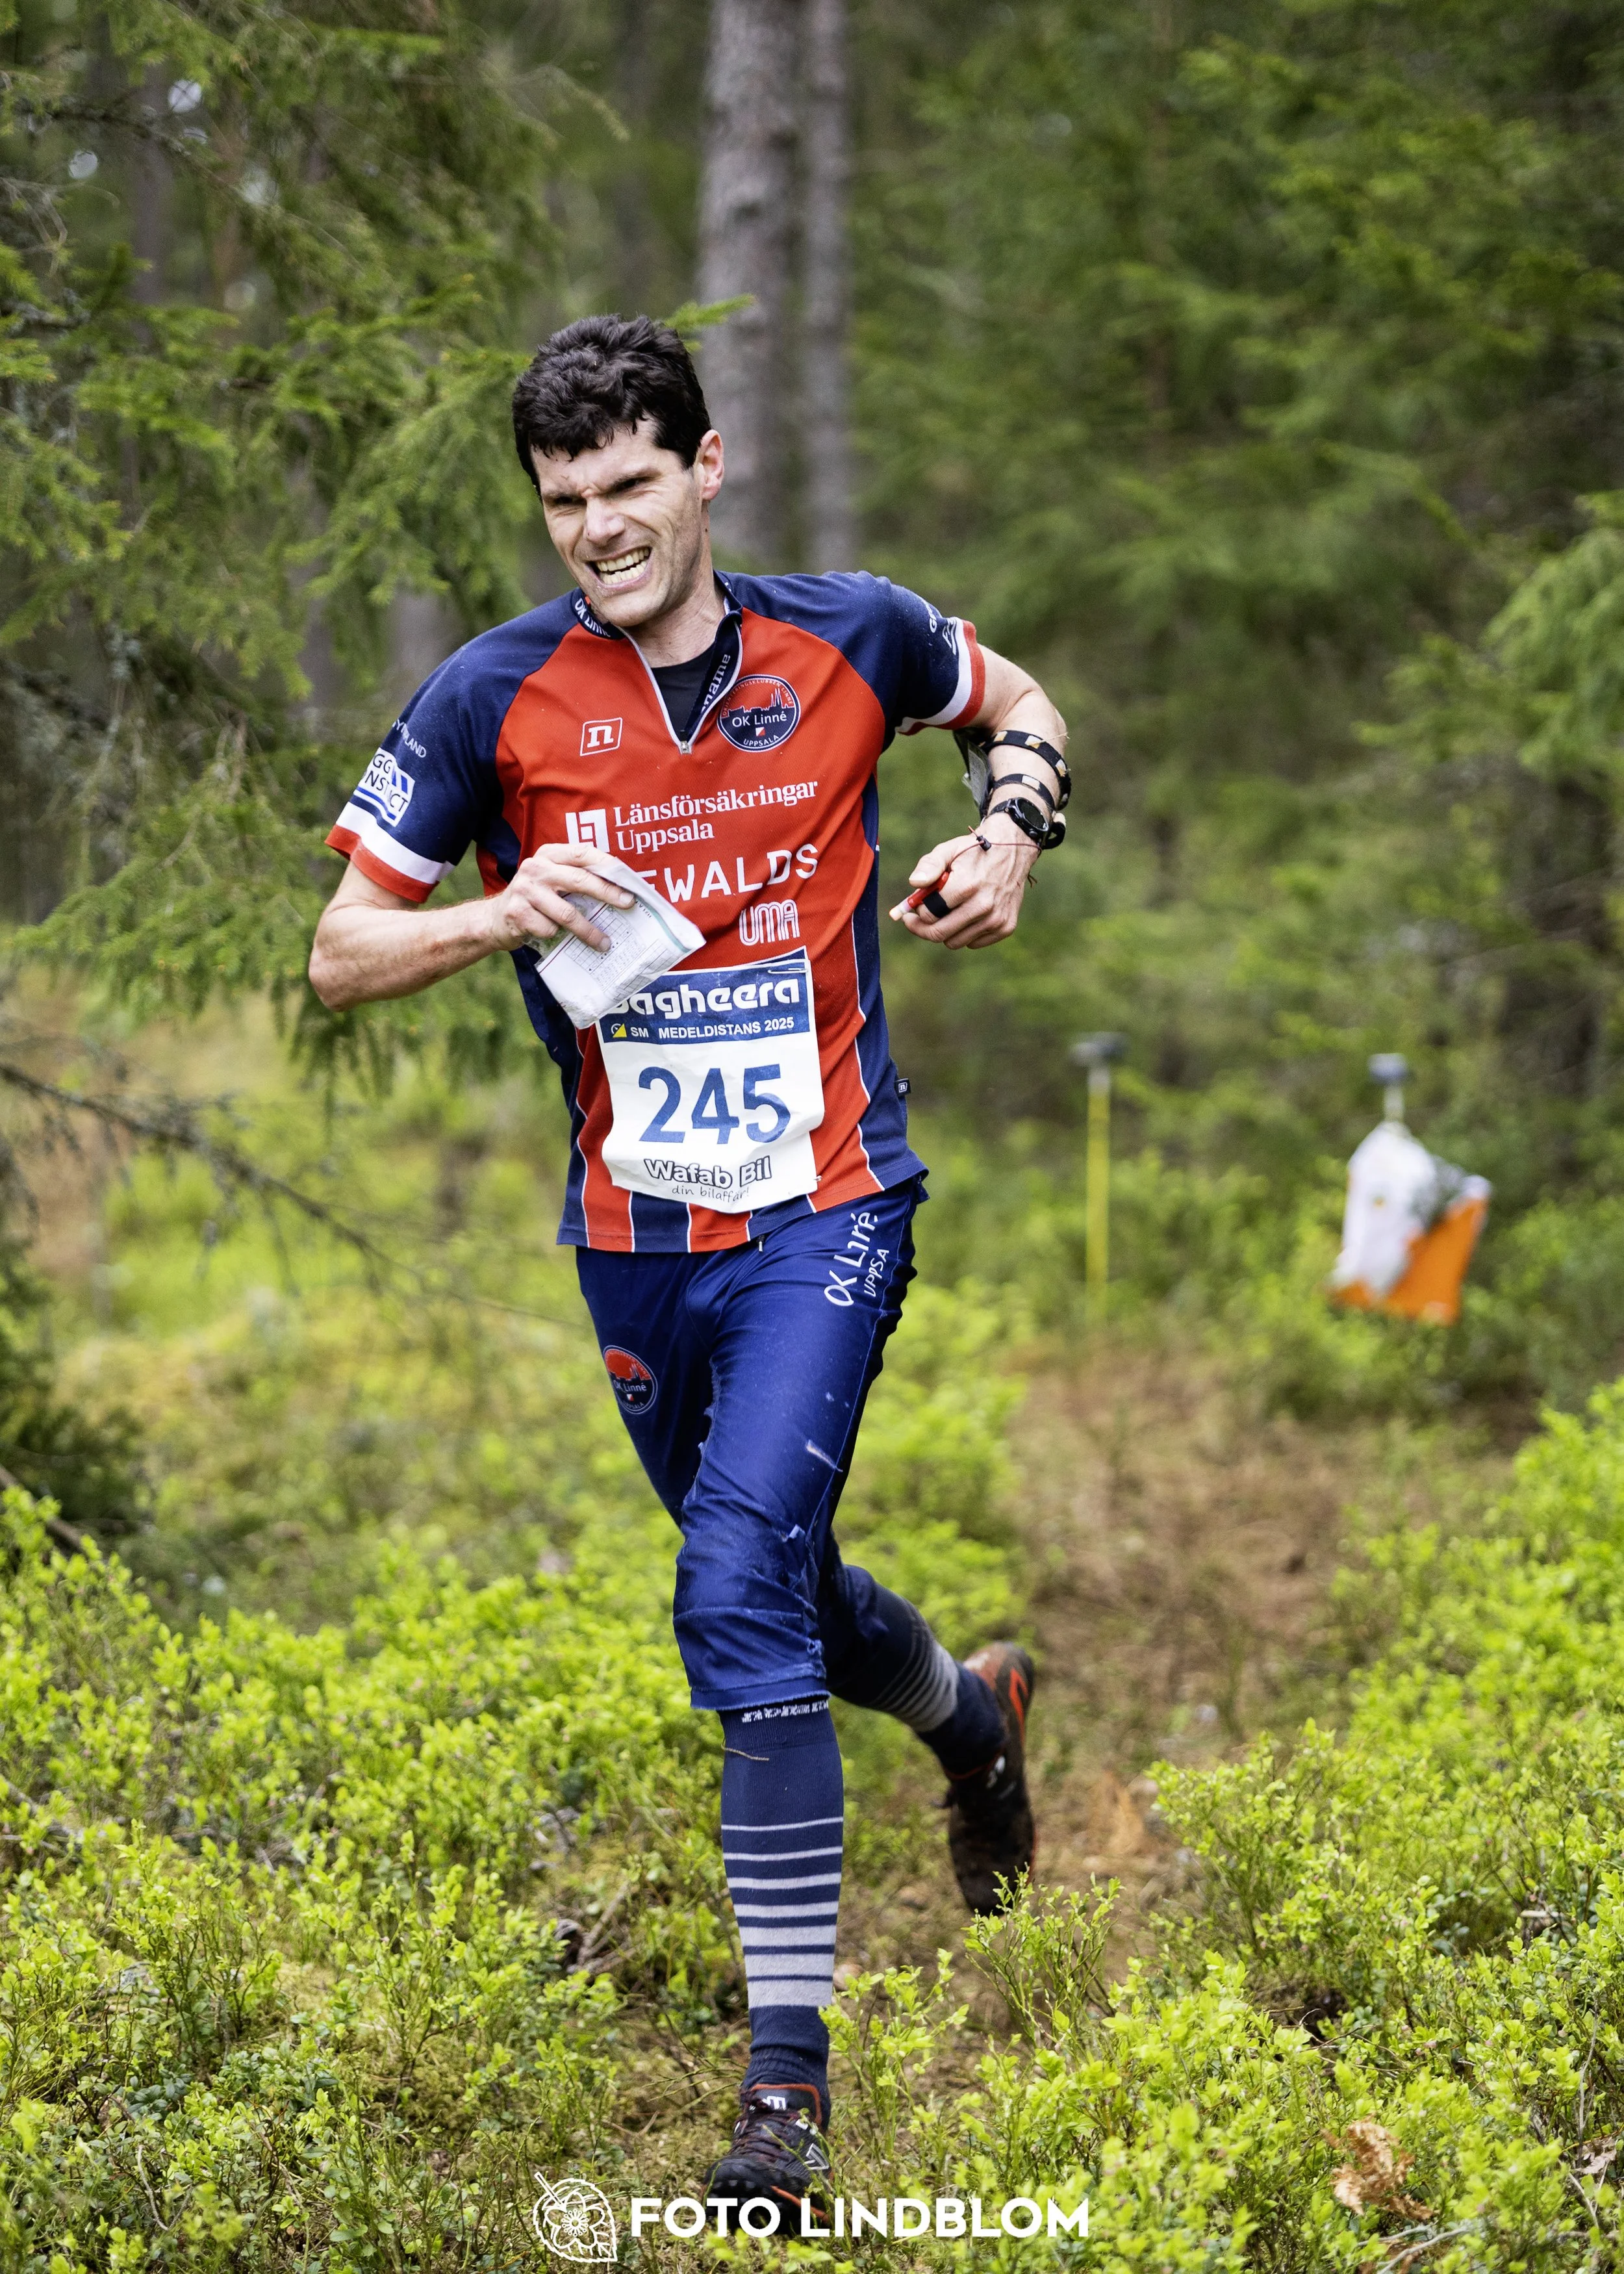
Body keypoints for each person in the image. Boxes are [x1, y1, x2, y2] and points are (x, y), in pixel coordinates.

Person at [309, 314, 1069, 2225]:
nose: (601, 528)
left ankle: (783, 2105)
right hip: (636, 1240)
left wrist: (1008, 836)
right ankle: (971, 1719)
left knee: (732, 1588)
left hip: (830, 1205)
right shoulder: (492, 695)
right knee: (783, 1584)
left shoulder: (850, 636)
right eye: (565, 500)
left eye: (631, 485)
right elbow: (337, 951)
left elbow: (1022, 705)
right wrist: (496, 909)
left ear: (706, 466)